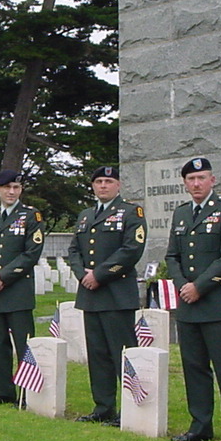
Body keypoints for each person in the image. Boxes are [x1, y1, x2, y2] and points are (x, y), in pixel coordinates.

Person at [165, 158, 221, 441]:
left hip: (216, 303)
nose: (196, 184)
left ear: (212, 180)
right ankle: (200, 426)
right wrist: (182, 286)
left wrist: (199, 287)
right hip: (188, 304)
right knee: (194, 367)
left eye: (201, 178)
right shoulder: (183, 213)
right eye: (190, 179)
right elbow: (172, 256)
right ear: (185, 183)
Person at [68, 166, 146, 424]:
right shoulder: (86, 215)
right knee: (98, 354)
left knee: (121, 354)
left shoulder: (131, 212)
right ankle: (103, 407)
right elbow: (74, 251)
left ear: (118, 185)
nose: (103, 186)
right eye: (99, 181)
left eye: (108, 181)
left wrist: (99, 275)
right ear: (92, 186)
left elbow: (131, 249)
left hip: (116, 293)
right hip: (90, 296)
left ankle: (131, 406)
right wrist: (82, 275)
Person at [0, 169, 44, 405]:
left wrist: (2, 278)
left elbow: (30, 254)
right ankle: (4, 392)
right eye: (7, 188)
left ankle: (28, 393)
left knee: (24, 345)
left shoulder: (31, 216)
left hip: (17, 292)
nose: (11, 192)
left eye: (16, 187)